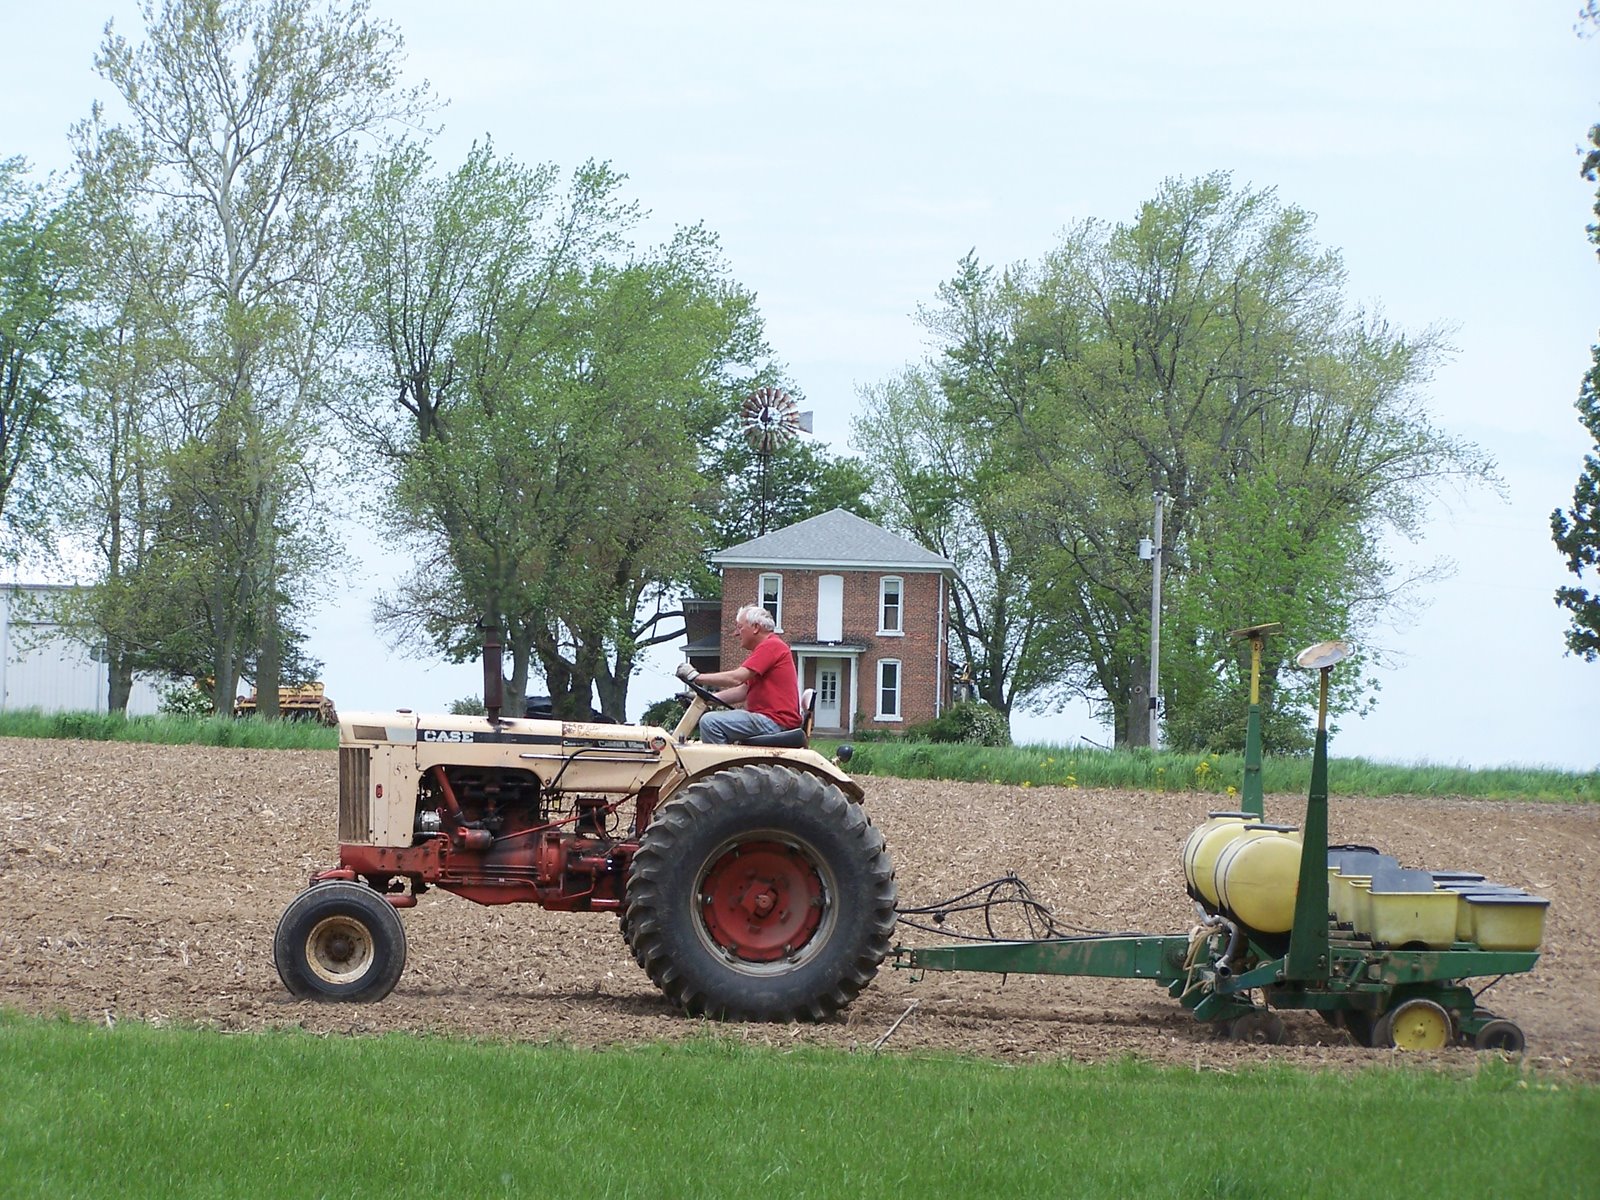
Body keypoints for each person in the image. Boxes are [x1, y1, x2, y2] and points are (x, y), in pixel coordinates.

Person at [675, 604, 801, 744]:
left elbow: (736, 678)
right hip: (771, 720)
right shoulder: (768, 648)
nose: (736, 633)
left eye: (740, 627)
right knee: (712, 721)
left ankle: (719, 759)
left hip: (775, 721)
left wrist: (696, 677)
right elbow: (743, 690)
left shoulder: (771, 646)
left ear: (756, 627)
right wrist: (707, 698)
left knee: (710, 722)